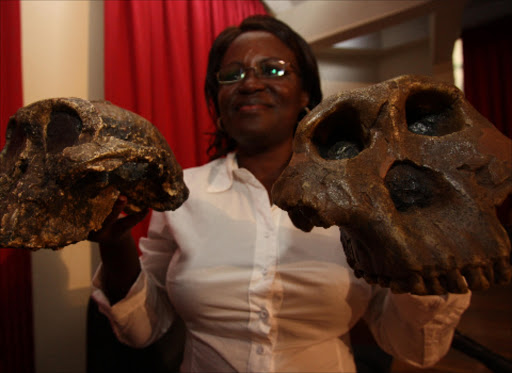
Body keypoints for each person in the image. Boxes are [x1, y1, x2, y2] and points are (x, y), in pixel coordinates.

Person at [90, 15, 471, 373]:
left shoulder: (360, 195)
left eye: (272, 69)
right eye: (231, 74)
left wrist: (430, 249)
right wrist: (116, 244)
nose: (250, 83)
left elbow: (414, 347)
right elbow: (142, 329)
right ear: (218, 102)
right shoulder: (181, 194)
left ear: (305, 92)